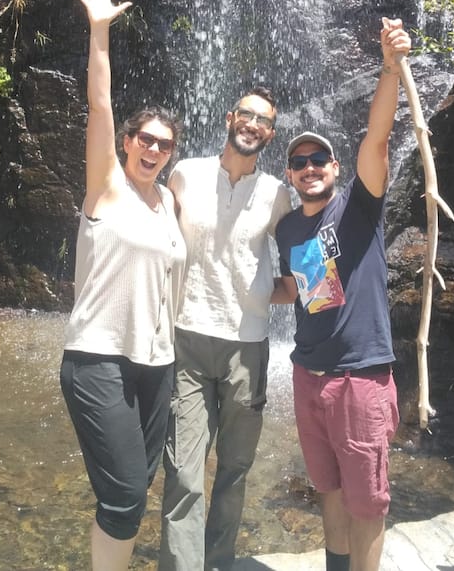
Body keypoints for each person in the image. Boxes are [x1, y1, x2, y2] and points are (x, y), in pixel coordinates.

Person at [273, 17, 411, 571]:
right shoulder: (288, 230)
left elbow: (377, 137)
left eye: (318, 161)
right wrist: (237, 293)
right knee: (327, 487)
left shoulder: (358, 205)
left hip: (360, 377)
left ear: (334, 167)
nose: (309, 169)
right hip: (308, 374)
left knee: (367, 502)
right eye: (299, 163)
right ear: (290, 175)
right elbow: (297, 289)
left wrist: (389, 68)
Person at [60, 0, 187, 571]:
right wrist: (100, 31)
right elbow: (100, 105)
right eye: (145, 139)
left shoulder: (169, 203)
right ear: (128, 141)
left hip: (156, 363)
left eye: (165, 144)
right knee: (125, 496)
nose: (154, 150)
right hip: (98, 357)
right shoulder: (106, 185)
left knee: (138, 483)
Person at [159, 86, 293, 571]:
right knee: (184, 471)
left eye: (264, 120)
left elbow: (299, 275)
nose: (253, 124)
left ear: (270, 134)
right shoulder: (185, 174)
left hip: (248, 349)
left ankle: (217, 562)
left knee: (235, 469)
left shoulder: (277, 194)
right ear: (230, 118)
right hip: (188, 339)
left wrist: (259, 295)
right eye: (247, 115)